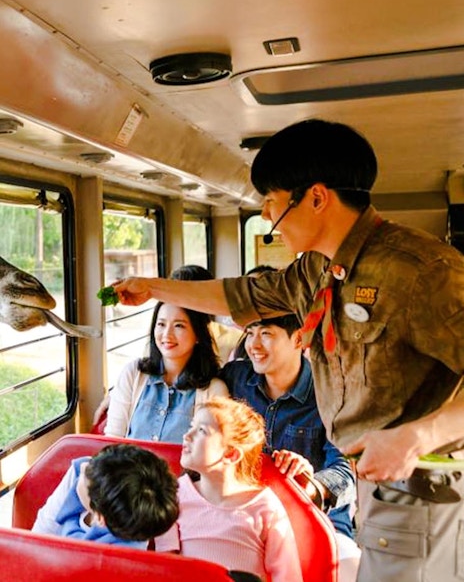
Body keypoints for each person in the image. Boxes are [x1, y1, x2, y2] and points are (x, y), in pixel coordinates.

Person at [112, 117, 464, 581]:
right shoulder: (316, 271)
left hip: (422, 480)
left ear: (316, 198)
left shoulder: (421, 270)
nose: (265, 216)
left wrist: (415, 436)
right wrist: (154, 288)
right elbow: (237, 297)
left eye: (273, 201)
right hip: (375, 483)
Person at [221, 314, 360, 582]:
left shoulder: (330, 390)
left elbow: (345, 472)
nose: (254, 345)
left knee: (350, 570)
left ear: (299, 338)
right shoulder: (234, 378)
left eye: (266, 334)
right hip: (245, 520)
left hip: (318, 520)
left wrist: (305, 486)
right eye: (250, 333)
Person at [155, 396, 303, 581]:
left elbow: (288, 575)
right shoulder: (173, 496)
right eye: (191, 426)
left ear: (231, 454)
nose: (187, 435)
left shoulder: (266, 506)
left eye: (201, 430)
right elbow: (166, 567)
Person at [104, 300, 228, 441]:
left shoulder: (214, 390)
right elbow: (113, 438)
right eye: (161, 324)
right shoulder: (133, 373)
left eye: (179, 326)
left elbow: (210, 452)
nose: (167, 334)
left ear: (198, 334)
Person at [32, 443, 179, 548]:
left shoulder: (124, 550)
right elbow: (42, 532)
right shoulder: (84, 470)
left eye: (86, 478)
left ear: (100, 516)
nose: (84, 467)